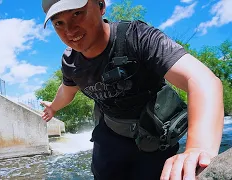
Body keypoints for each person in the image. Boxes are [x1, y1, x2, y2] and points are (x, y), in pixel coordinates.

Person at [40, 0, 224, 179]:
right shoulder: (70, 62)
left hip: (156, 134)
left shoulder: (138, 36)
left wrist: (197, 148)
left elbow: (203, 80)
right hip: (110, 136)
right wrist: (53, 108)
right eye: (59, 23)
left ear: (101, 5)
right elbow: (67, 91)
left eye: (77, 13)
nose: (70, 30)